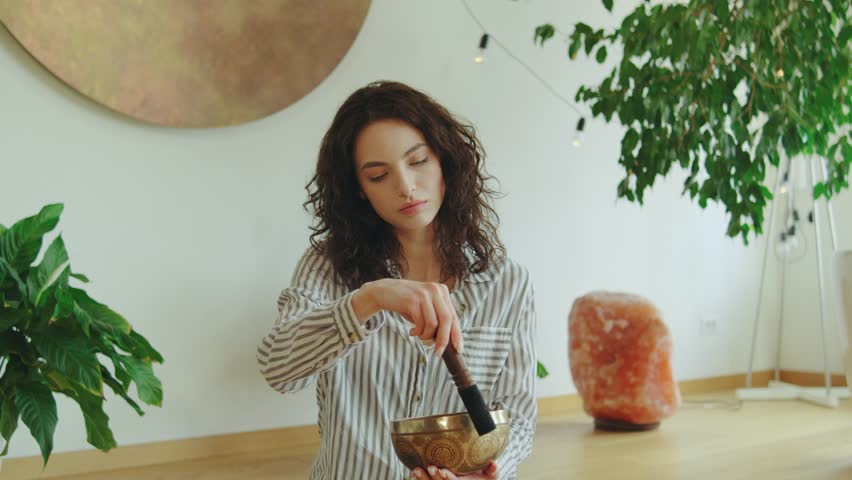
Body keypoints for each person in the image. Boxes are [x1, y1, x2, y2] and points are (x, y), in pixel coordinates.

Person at [257, 81, 537, 480]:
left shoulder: (507, 283)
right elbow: (279, 370)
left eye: (417, 161)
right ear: (359, 190)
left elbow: (518, 416)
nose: (405, 186)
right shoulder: (327, 267)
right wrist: (370, 299)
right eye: (378, 175)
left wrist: (492, 469)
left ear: (444, 160)